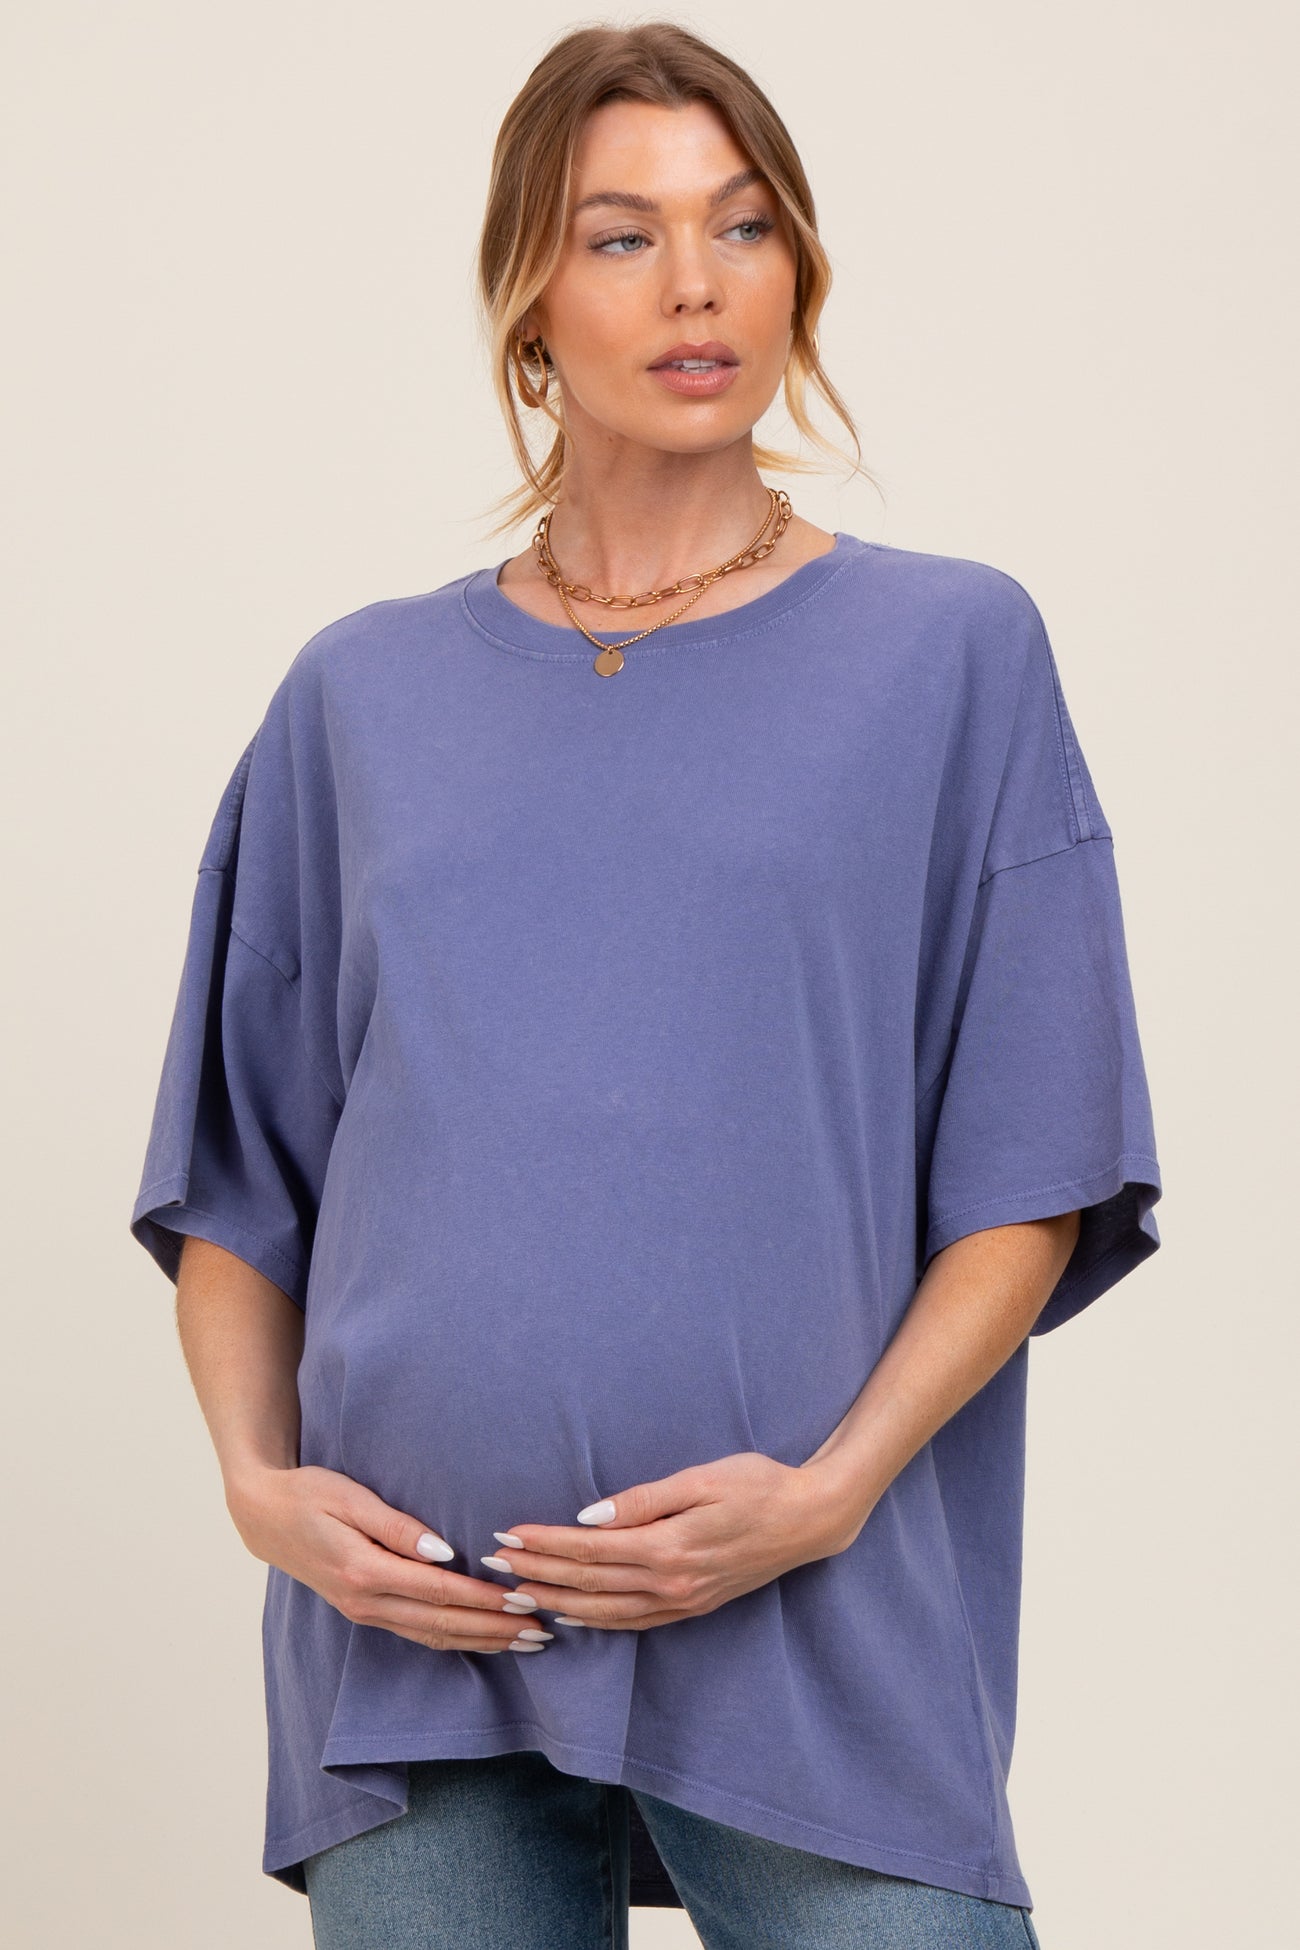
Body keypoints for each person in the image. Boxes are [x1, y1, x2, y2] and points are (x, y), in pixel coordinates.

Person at [128, 21, 1162, 1950]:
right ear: (527, 296)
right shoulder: (358, 695)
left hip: (813, 1619)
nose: (697, 283)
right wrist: (262, 1489)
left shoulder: (949, 652)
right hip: (420, 1636)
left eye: (743, 226)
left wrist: (829, 1494)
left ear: (799, 274)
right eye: (623, 235)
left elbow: (1033, 1163)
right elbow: (242, 1179)